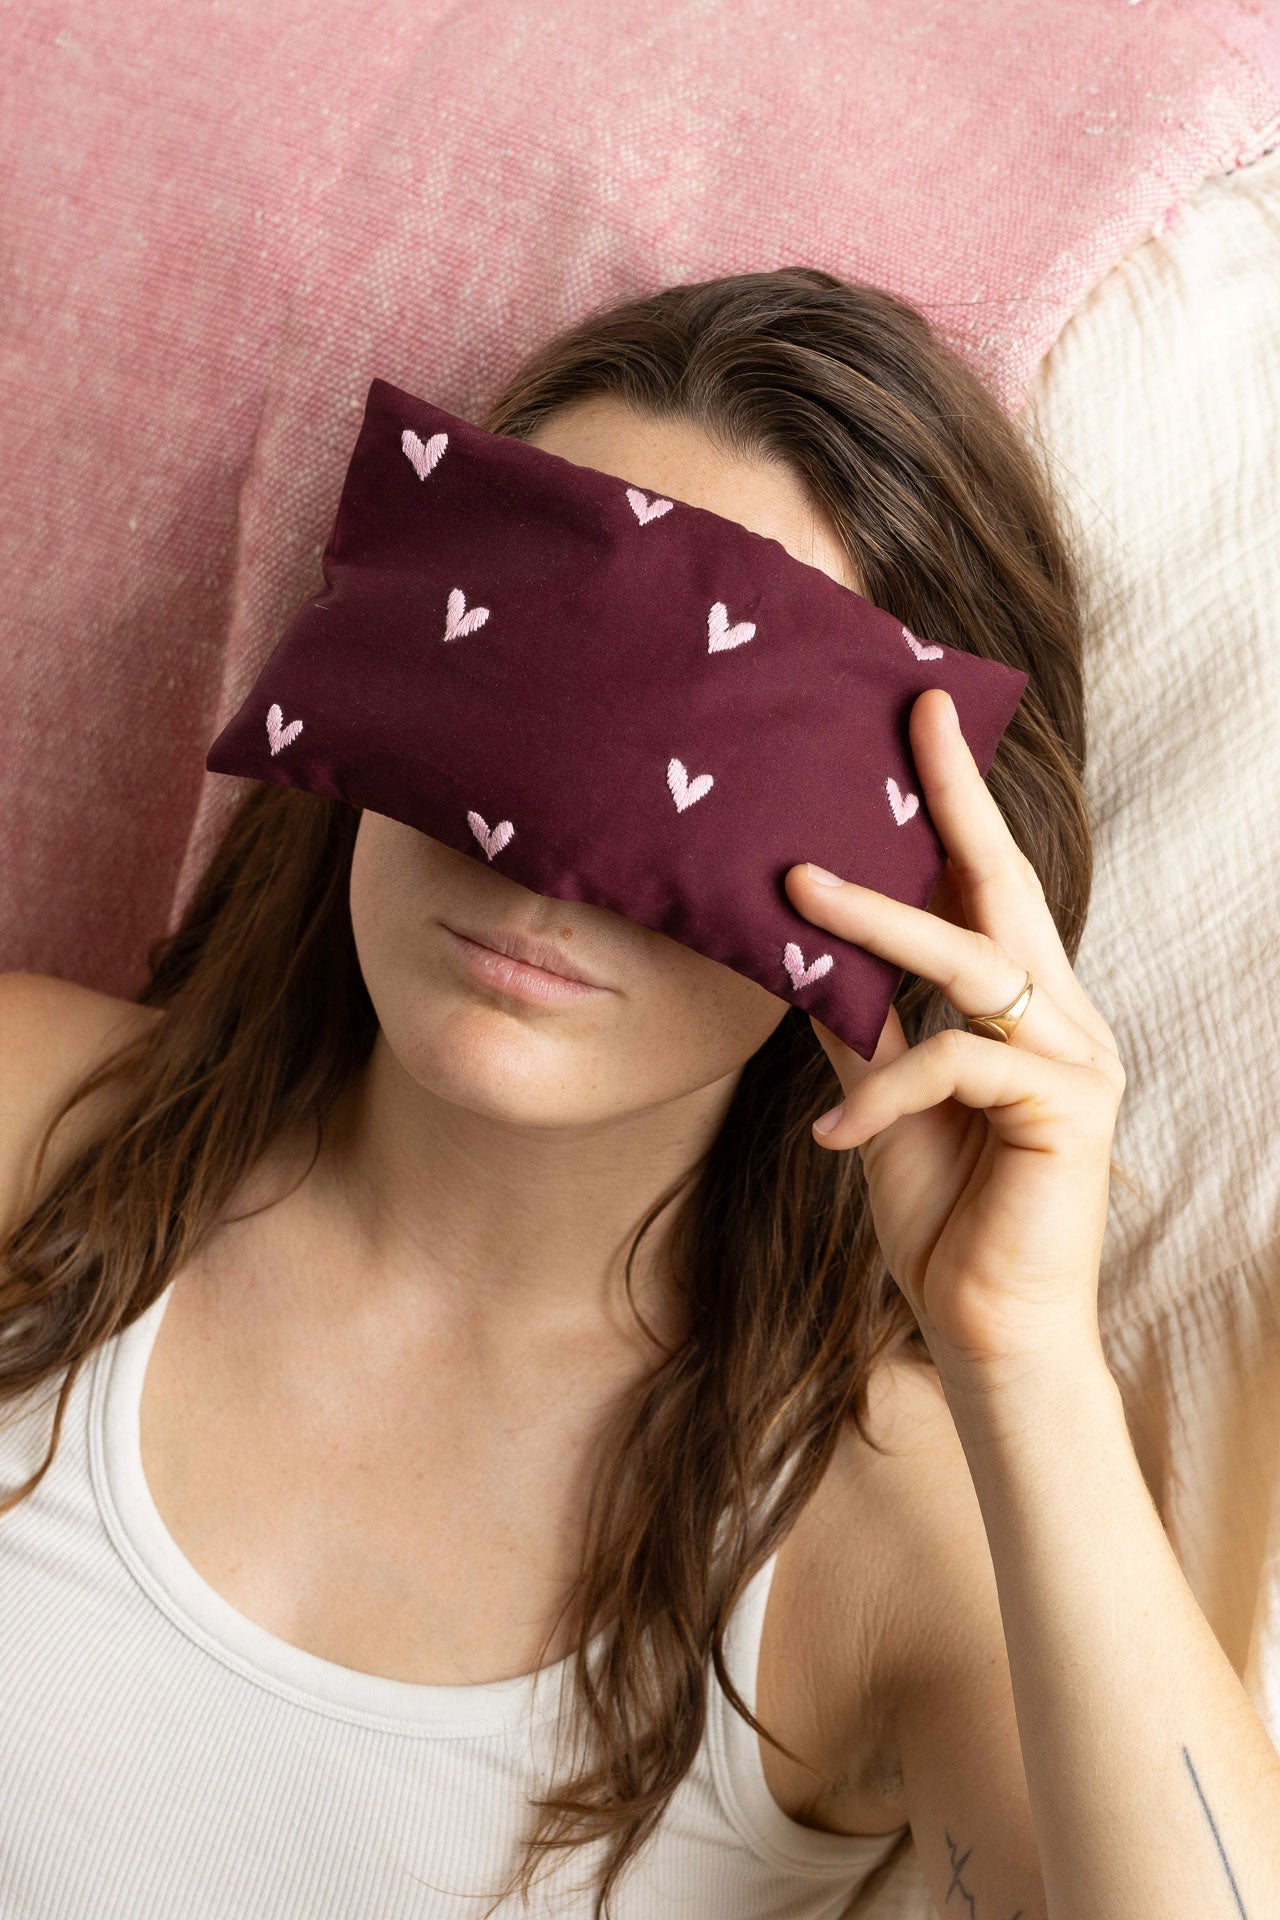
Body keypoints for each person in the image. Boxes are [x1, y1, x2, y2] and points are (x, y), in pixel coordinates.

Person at [2, 268, 1276, 1920]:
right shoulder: (31, 1128)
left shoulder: (868, 1533)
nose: (551, 869)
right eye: (517, 679)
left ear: (940, 889)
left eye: (718, 778)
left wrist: (1022, 1360)